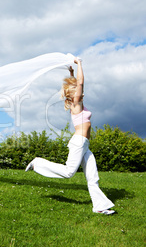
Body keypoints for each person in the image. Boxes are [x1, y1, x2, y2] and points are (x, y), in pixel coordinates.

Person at [25, 57, 115, 215]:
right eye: (78, 89)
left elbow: (79, 83)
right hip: (78, 143)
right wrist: (79, 64)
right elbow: (80, 82)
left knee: (92, 176)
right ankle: (37, 163)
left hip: (84, 144)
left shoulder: (80, 103)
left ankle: (99, 207)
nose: (81, 90)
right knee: (68, 172)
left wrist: (71, 71)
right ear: (74, 93)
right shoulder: (75, 104)